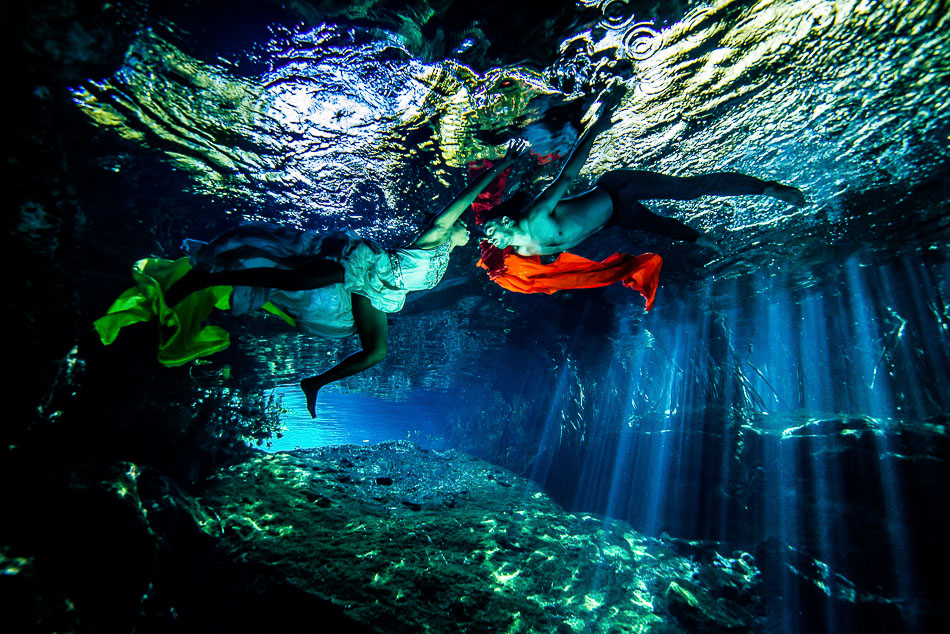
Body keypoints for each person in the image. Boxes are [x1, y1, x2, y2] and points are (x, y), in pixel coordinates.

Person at [106, 139, 528, 418]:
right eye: (462, 227)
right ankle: (201, 281)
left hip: (378, 296)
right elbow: (459, 203)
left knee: (374, 353)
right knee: (292, 282)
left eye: (464, 229)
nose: (466, 230)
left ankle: (315, 382)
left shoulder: (445, 262)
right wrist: (501, 167)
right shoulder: (435, 236)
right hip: (362, 269)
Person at [483, 83, 806, 257]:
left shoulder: (536, 217)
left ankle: (767, 188)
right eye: (487, 236)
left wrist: (594, 130)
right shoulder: (523, 253)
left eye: (491, 230)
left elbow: (565, 177)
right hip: (614, 219)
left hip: (619, 189)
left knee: (689, 191)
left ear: (506, 220)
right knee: (658, 227)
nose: (490, 238)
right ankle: (701, 239)